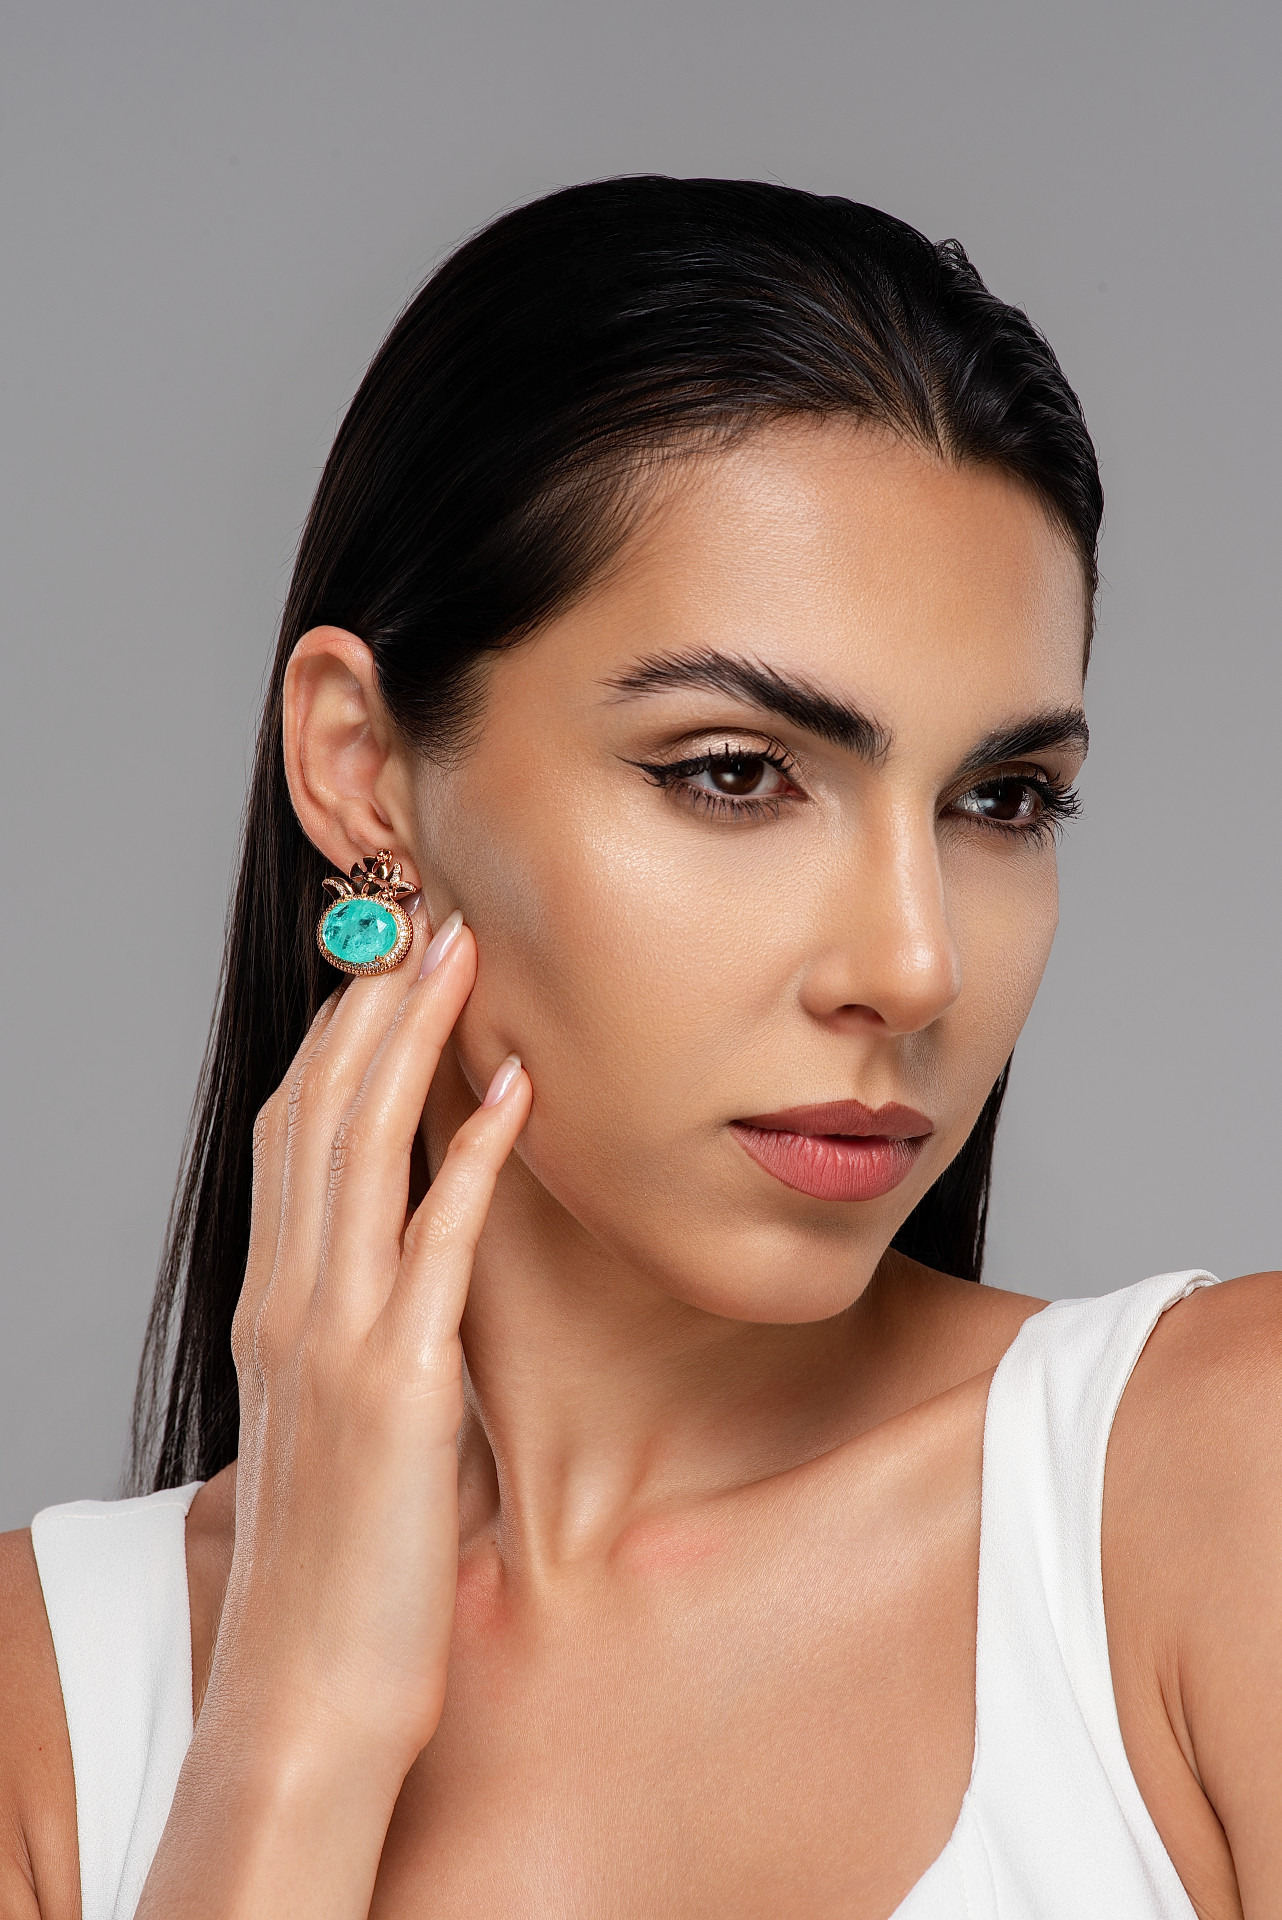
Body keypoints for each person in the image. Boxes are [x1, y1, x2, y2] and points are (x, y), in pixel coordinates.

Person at [0, 174, 1277, 1920]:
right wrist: (295, 1726)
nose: (912, 966)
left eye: (1001, 798)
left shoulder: (1216, 1490)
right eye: (733, 772)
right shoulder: (46, 1708)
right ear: (362, 771)